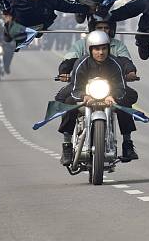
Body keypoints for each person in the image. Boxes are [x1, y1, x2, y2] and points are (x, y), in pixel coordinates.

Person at [54, 31, 140, 165]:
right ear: (90, 49)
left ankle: (127, 143)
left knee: (125, 103)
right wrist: (84, 95)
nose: (101, 52)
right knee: (69, 103)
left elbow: (120, 86)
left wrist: (113, 96)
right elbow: (76, 87)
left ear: (108, 49)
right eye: (97, 49)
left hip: (108, 94)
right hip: (86, 94)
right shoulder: (81, 63)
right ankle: (67, 146)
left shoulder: (115, 63)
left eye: (104, 48)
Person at [58, 17, 131, 79]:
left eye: (106, 28)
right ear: (93, 29)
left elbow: (125, 60)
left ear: (111, 30)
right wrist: (64, 71)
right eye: (99, 28)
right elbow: (70, 59)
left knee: (131, 95)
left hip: (112, 81)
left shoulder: (118, 45)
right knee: (63, 95)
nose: (103, 30)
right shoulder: (80, 44)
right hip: (83, 82)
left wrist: (130, 71)